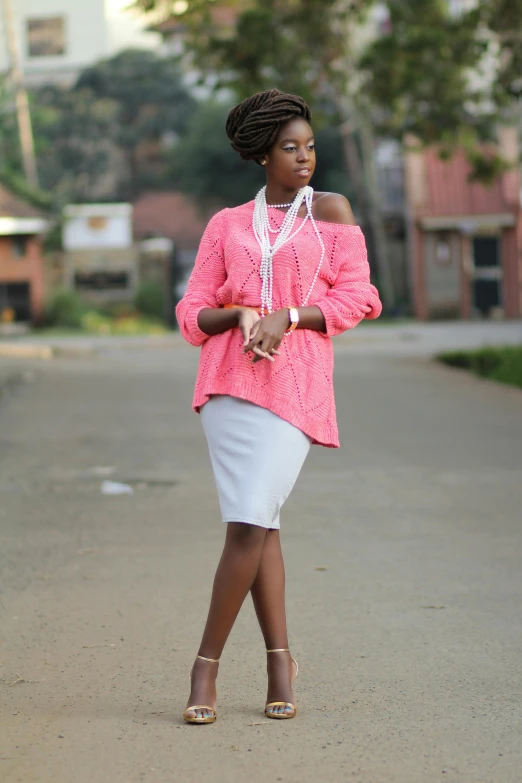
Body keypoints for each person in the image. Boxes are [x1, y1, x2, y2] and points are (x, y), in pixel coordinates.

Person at [175, 88, 382, 724]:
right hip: (230, 387)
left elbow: (360, 298)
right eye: (290, 148)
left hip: (295, 390)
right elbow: (190, 313)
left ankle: (203, 667)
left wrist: (288, 316)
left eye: (310, 146)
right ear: (262, 154)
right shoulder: (226, 224)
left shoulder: (332, 212)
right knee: (256, 521)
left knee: (247, 523)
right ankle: (279, 663)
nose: (305, 158)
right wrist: (239, 313)